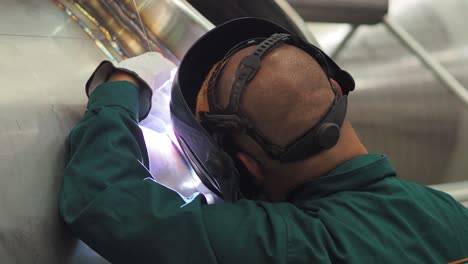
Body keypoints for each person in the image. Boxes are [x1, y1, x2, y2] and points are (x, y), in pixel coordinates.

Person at [59, 18, 468, 263]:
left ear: (248, 167)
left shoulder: (288, 244)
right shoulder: (449, 213)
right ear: (336, 89)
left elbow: (105, 200)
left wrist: (119, 90)